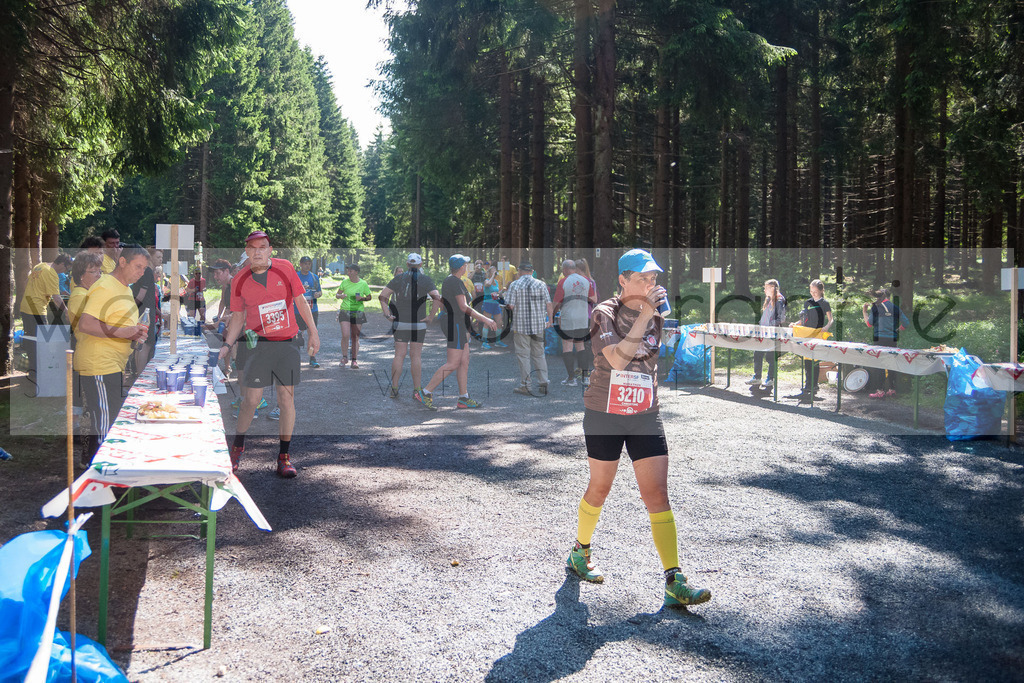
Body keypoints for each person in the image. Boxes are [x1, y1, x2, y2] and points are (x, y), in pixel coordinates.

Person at [566, 248, 711, 609]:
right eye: (643, 278)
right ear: (623, 280)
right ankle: (579, 552)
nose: (651, 284)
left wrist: (650, 316)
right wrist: (646, 313)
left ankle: (674, 579)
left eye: (654, 278)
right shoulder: (604, 313)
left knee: (657, 495)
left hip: (645, 413)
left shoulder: (657, 317)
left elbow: (649, 363)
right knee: (599, 488)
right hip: (604, 414)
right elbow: (615, 359)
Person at [218, 231, 320, 479]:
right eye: (252, 248)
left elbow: (301, 302)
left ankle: (284, 457)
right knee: (250, 401)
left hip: (287, 344)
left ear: (270, 249)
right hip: (258, 346)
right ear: (247, 253)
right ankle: (236, 449)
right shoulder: (240, 279)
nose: (258, 252)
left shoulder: (285, 268)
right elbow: (238, 316)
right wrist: (228, 344)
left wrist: (314, 334)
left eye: (262, 247)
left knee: (286, 401)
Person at [74, 244, 151, 460]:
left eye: (144, 268)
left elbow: (118, 326)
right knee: (106, 425)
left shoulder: (125, 288)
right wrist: (125, 331)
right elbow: (86, 324)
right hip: (99, 364)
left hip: (113, 364)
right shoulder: (106, 285)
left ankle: (105, 474)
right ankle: (103, 478)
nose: (141, 272)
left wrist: (134, 333)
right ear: (123, 262)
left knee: (110, 420)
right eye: (138, 266)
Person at [416, 254, 497, 410]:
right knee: (453, 363)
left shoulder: (454, 281)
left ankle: (463, 398)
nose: (467, 267)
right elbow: (463, 307)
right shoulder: (453, 281)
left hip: (458, 323)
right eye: (466, 265)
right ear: (461, 267)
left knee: (463, 361)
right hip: (455, 325)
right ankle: (425, 392)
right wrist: (486, 320)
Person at [379, 253, 441, 399]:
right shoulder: (425, 279)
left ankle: (394, 388)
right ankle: (417, 390)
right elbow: (437, 298)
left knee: (399, 355)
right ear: (420, 265)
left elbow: (383, 296)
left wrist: (387, 314)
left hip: (400, 322)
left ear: (407, 264)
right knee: (416, 356)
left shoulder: (398, 278)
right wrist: (431, 316)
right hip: (419, 323)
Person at [19, 252, 71, 379]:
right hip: (36, 310)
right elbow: (57, 298)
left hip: (25, 307)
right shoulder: (52, 273)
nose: (64, 272)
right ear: (63, 265)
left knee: (31, 340)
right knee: (43, 342)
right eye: (66, 269)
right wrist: (67, 312)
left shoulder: (40, 266)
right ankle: (41, 373)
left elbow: (26, 282)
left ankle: (33, 371)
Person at [506, 260, 554, 396]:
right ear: (532, 272)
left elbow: (510, 305)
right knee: (539, 354)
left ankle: (526, 386)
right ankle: (543, 382)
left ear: (520, 272)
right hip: (538, 325)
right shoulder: (541, 284)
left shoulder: (515, 285)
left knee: (523, 356)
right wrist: (549, 320)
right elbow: (549, 304)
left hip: (521, 326)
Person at [554, 259, 597, 386]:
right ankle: (585, 378)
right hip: (583, 317)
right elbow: (594, 298)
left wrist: (554, 314)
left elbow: (557, 302)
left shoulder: (563, 281)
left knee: (567, 347)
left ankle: (571, 379)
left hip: (568, 317)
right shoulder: (586, 281)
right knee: (581, 346)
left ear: (566, 269)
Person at [863, 287, 910, 398]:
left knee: (879, 364)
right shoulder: (895, 308)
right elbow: (906, 323)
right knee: (891, 363)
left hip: (879, 338)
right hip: (892, 339)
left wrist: (864, 311)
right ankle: (892, 389)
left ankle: (880, 391)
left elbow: (869, 324)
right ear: (889, 297)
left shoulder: (876, 307)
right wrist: (899, 329)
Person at [791, 279, 833, 402]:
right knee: (807, 359)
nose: (813, 293)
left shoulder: (825, 303)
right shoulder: (808, 302)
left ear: (821, 291)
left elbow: (831, 319)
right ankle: (807, 385)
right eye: (811, 291)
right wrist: (796, 323)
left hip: (818, 332)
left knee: (814, 359)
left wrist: (826, 327)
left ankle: (814, 386)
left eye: (815, 291)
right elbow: (804, 318)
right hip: (806, 332)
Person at [745, 279, 786, 390]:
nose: (764, 289)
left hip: (772, 333)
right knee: (757, 353)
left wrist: (770, 326)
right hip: (763, 333)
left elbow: (781, 318)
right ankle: (757, 377)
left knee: (771, 357)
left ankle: (770, 379)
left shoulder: (779, 300)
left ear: (773, 287)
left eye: (766, 287)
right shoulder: (769, 299)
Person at [335, 263, 372, 368]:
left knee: (355, 337)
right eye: (348, 270)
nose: (349, 272)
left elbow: (369, 297)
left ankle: (354, 360)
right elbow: (337, 294)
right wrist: (341, 296)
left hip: (358, 312)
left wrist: (362, 298)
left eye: (351, 271)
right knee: (345, 335)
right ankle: (344, 357)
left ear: (356, 272)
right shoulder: (344, 282)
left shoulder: (363, 284)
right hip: (345, 310)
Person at [295, 256, 322, 369]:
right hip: (298, 310)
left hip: (312, 309)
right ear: (300, 264)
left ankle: (312, 358)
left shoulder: (314, 277)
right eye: (305, 263)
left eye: (309, 264)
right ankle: (295, 359)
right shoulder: (295, 276)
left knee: (312, 333)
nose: (307, 266)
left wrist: (317, 295)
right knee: (297, 334)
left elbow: (319, 292)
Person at [479, 265, 506, 349]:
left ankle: (498, 341)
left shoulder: (496, 282)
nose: (495, 271)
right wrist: (493, 276)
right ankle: (484, 343)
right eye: (493, 270)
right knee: (487, 323)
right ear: (489, 272)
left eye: (495, 270)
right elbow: (488, 285)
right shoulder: (486, 280)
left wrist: (502, 292)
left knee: (499, 323)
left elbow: (496, 295)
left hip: (495, 303)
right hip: (488, 304)